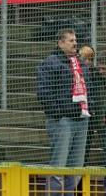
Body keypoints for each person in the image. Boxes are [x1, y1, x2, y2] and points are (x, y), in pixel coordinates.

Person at [37, 29, 92, 195]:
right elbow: (44, 92)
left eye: (75, 40)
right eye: (71, 40)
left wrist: (90, 107)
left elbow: (90, 88)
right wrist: (58, 113)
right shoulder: (50, 63)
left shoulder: (81, 63)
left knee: (76, 168)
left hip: (81, 119)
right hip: (63, 120)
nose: (75, 43)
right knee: (58, 166)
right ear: (60, 43)